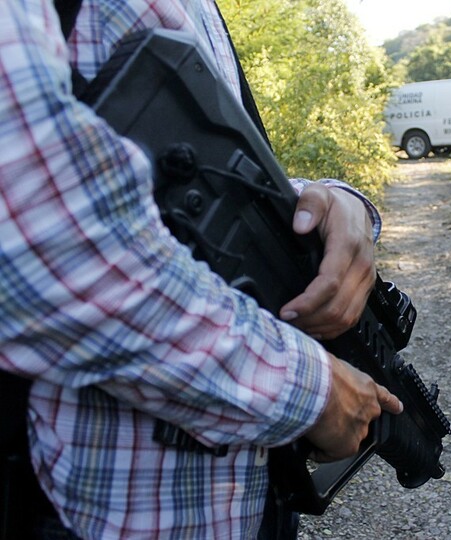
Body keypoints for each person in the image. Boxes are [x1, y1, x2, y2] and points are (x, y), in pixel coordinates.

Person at [0, 0, 402, 538]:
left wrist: (333, 202)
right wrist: (311, 391)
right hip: (93, 512)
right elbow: (35, 243)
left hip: (241, 497)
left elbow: (202, 185)